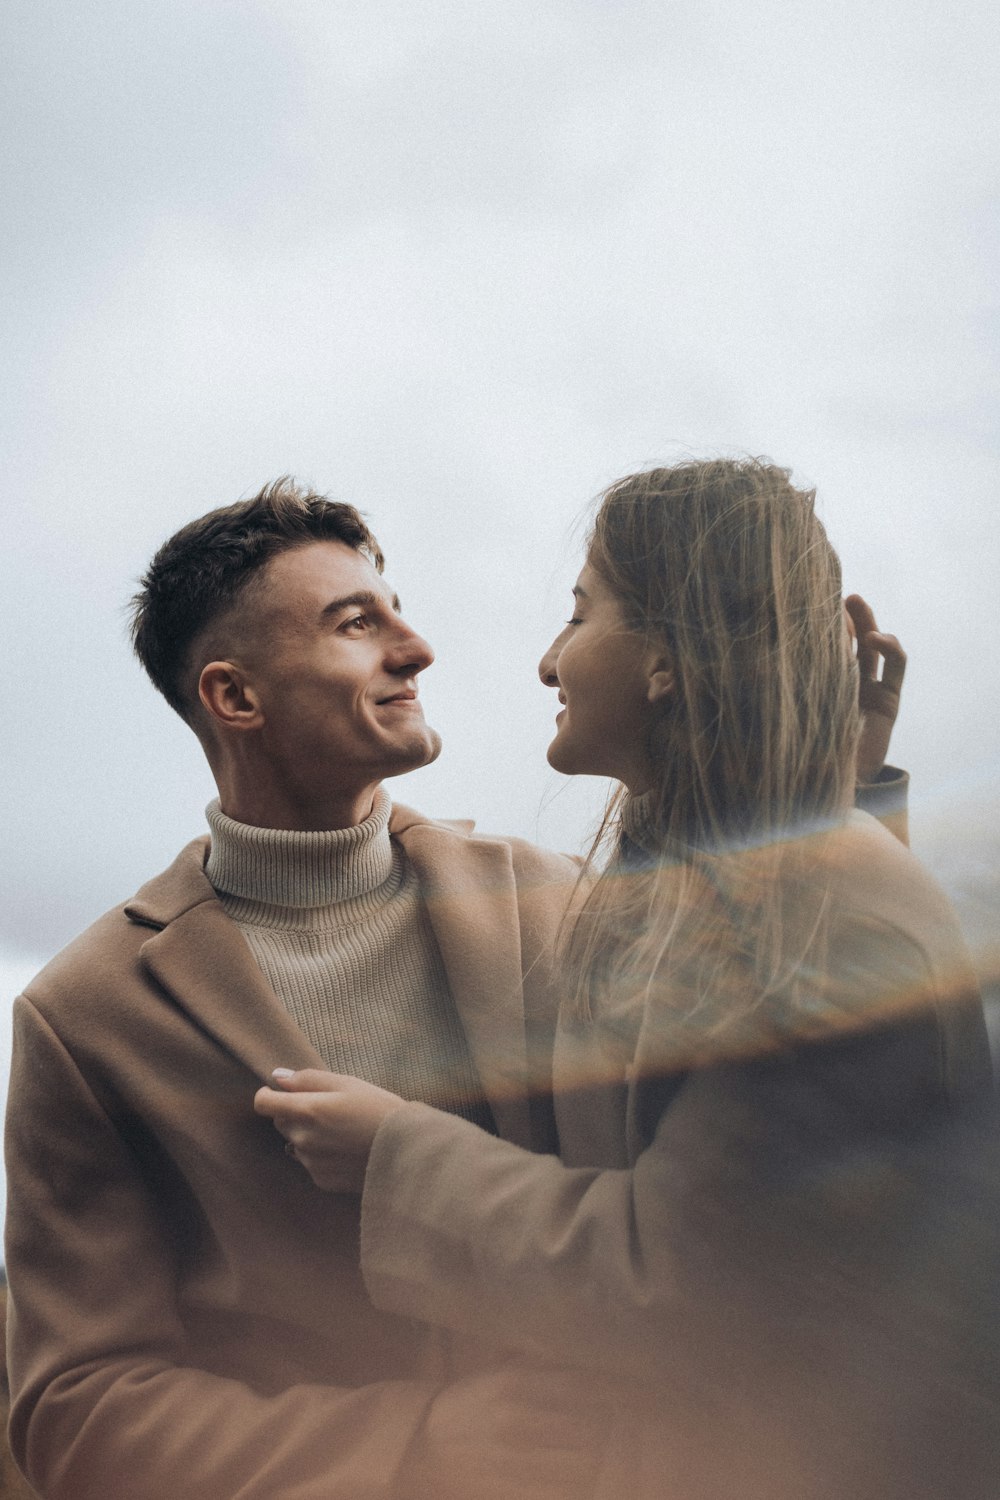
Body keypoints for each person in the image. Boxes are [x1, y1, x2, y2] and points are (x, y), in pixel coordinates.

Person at [5, 472, 906, 1500]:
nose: (416, 647)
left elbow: (792, 1087)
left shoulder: (554, 897)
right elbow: (77, 1410)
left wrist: (832, 801)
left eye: (398, 612)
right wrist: (413, 1445)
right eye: (356, 623)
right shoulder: (85, 1015)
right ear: (234, 697)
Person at [255, 459, 998, 1500]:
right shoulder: (742, 890)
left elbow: (689, 1288)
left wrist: (395, 1157)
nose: (550, 661)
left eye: (580, 611)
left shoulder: (816, 908)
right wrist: (835, 801)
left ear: (664, 660)